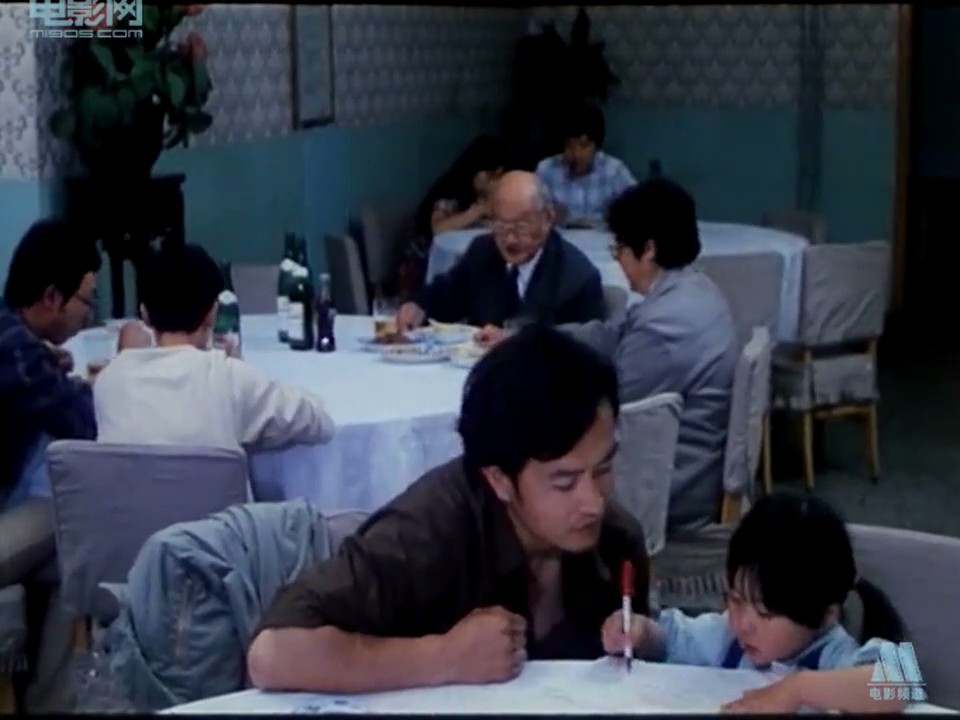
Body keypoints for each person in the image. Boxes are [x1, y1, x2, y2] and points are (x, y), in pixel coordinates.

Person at [247, 326, 651, 693]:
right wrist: (442, 658)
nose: (594, 502)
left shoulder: (616, 539)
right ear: (499, 479)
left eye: (603, 468)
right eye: (564, 483)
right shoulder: (426, 532)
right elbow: (272, 656)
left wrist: (645, 640)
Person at [478, 179, 738, 533]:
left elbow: (602, 406)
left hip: (669, 489)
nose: (618, 260)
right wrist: (529, 337)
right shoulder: (694, 290)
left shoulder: (664, 327)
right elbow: (610, 334)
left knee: (523, 471)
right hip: (687, 466)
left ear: (648, 249)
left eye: (619, 249)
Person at [602, 493, 910, 714]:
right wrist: (640, 633)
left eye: (765, 613)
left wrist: (797, 689)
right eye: (736, 599)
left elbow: (902, 681)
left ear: (823, 614)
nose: (742, 623)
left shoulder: (832, 654)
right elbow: (673, 639)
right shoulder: (728, 637)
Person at [0, 218, 102, 712]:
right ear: (50, 297)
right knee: (76, 522)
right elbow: (82, 423)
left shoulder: (13, 341)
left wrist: (47, 369)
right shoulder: (14, 349)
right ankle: (50, 703)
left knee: (66, 553)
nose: (89, 315)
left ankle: (46, 701)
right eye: (86, 301)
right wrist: (112, 375)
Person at [94, 243, 335, 451]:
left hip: (129, 495)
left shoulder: (109, 381)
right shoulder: (230, 379)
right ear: (213, 313)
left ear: (144, 314)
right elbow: (320, 424)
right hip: (216, 495)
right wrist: (239, 371)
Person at [395, 171, 606, 331]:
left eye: (520, 228)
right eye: (501, 226)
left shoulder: (577, 277)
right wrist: (418, 306)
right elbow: (445, 296)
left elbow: (582, 351)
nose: (510, 239)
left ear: (548, 218)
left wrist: (516, 343)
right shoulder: (483, 251)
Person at [535, 104, 636, 227]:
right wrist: (546, 215)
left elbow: (639, 207)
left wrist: (617, 214)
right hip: (558, 237)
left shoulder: (614, 170)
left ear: (596, 146)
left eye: (584, 145)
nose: (577, 153)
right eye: (570, 145)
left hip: (602, 237)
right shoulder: (546, 169)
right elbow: (531, 214)